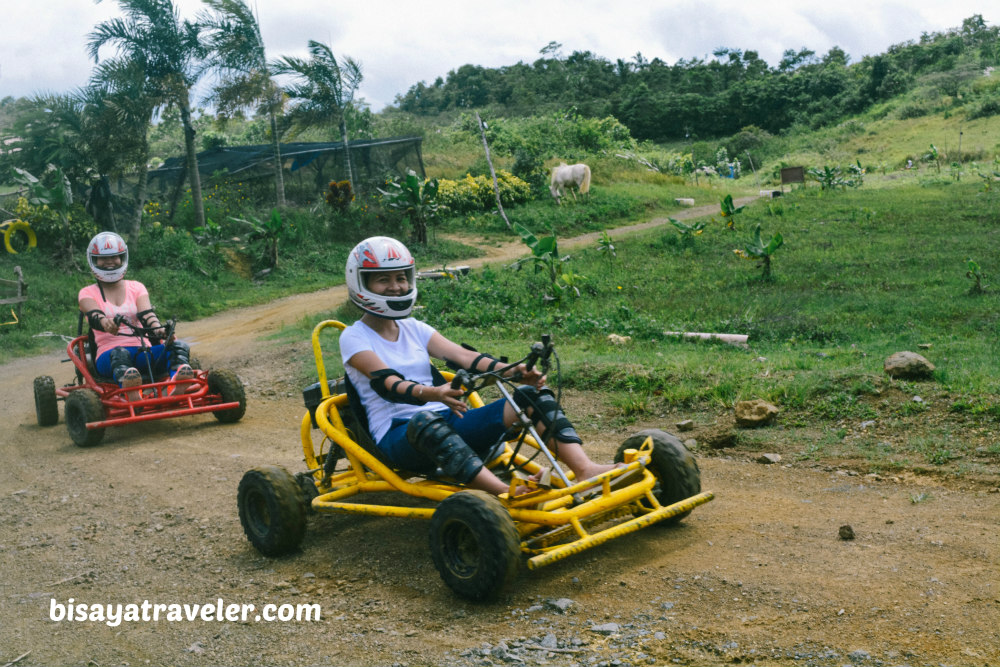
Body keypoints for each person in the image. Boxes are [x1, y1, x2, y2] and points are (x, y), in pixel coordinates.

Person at [340, 236, 618, 497]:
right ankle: (503, 492)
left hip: (444, 421)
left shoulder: (414, 328)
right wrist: (434, 393)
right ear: (361, 283)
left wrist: (514, 372)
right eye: (383, 280)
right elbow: (388, 383)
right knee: (426, 421)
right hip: (399, 437)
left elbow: (464, 358)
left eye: (401, 277)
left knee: (530, 397)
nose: (396, 286)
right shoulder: (354, 337)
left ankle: (585, 471)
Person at [78, 231, 193, 400]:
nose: (110, 261)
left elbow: (147, 314)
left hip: (143, 352)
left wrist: (159, 329)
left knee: (179, 347)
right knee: (120, 353)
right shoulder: (87, 293)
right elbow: (94, 315)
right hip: (109, 355)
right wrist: (106, 323)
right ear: (93, 260)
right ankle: (131, 391)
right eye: (103, 258)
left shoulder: (136, 287)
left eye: (115, 257)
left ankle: (177, 383)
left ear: (122, 258)